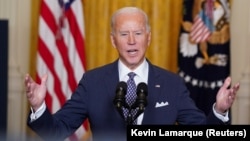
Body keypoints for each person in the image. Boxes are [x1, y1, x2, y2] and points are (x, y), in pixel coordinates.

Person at [24, 6, 240, 141]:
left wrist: (219, 110)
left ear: (148, 38)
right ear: (113, 40)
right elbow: (55, 131)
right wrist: (38, 106)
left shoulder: (171, 84)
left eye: (138, 33)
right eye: (124, 34)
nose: (131, 41)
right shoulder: (93, 82)